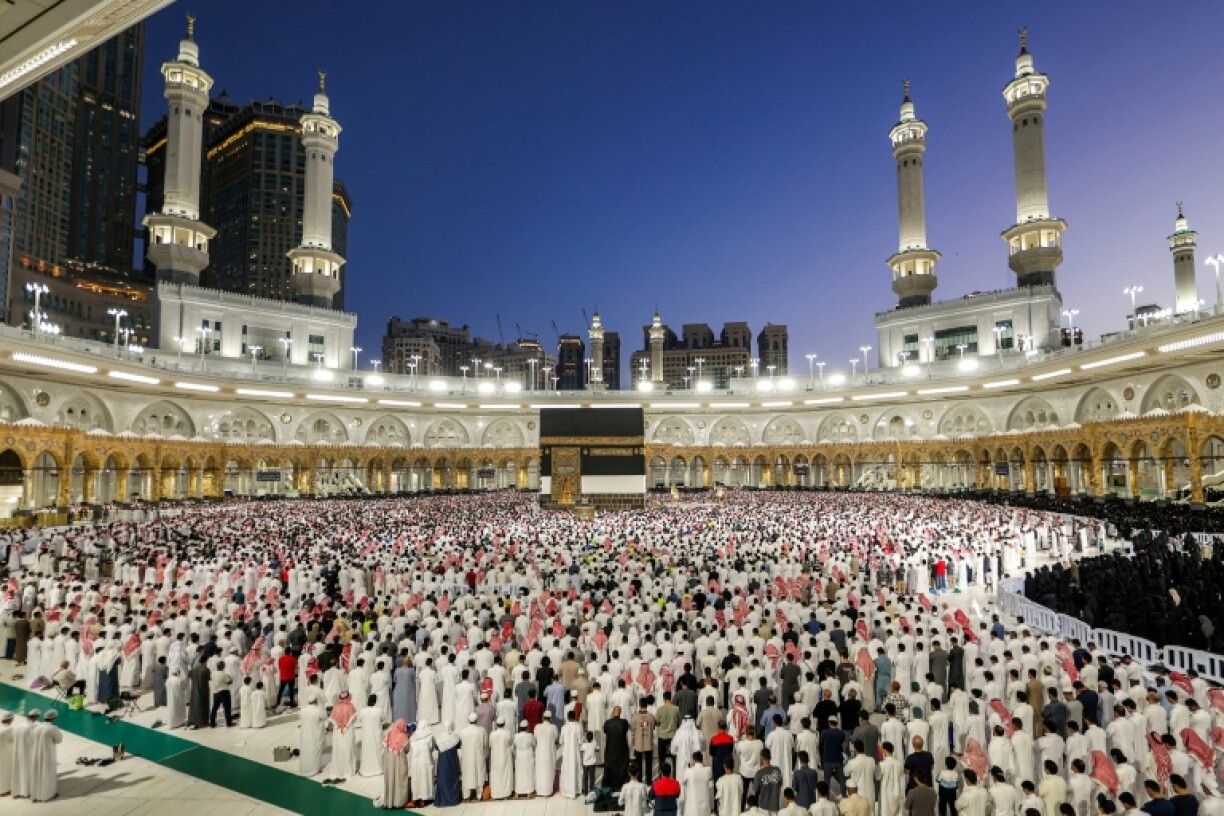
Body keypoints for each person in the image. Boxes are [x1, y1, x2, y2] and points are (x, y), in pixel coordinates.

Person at [328, 692, 358, 780]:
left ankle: (338, 770)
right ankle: (348, 771)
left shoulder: (335, 707)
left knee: (338, 749)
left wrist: (339, 726)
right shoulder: (351, 706)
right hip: (348, 732)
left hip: (337, 732)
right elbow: (354, 718)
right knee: (348, 749)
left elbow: (332, 720)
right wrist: (345, 726)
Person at [460, 712, 489, 801]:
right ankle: (479, 795)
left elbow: (461, 745)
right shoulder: (482, 730)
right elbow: (485, 743)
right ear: (477, 720)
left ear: (468, 720)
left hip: (467, 757)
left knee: (467, 775)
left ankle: (466, 796)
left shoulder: (462, 732)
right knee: (479, 775)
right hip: (478, 756)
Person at [382, 720, 411, 809]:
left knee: (390, 780)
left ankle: (389, 801)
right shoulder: (404, 737)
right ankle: (399, 802)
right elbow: (407, 749)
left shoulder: (389, 734)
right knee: (399, 780)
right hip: (399, 762)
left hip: (389, 763)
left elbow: (384, 746)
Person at [604, 705, 633, 791]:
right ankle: (621, 784)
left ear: (613, 712)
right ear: (620, 712)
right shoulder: (624, 722)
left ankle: (610, 785)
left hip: (610, 749)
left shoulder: (607, 723)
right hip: (621, 749)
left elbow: (605, 731)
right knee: (622, 767)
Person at [434, 722, 463, 806]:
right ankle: (453, 799)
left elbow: (437, 747)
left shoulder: (439, 738)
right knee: (452, 778)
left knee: (443, 779)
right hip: (452, 760)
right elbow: (459, 745)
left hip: (443, 762)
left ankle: (443, 800)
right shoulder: (455, 737)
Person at [10, 709, 36, 799]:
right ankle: (27, 791)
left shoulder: (19, 726)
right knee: (27, 771)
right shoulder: (32, 727)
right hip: (27, 752)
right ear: (35, 717)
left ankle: (17, 790)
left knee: (19, 771)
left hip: (17, 751)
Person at [298, 698, 326, 776]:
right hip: (315, 733)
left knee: (305, 751)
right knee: (315, 750)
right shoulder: (318, 710)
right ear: (316, 701)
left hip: (305, 734)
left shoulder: (303, 710)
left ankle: (304, 769)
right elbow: (324, 717)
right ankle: (315, 770)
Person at [559, 709, 583, 798]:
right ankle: (576, 789)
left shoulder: (563, 728)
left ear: (567, 718)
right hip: (575, 751)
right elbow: (580, 741)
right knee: (575, 768)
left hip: (566, 752)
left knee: (566, 769)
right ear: (575, 717)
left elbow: (561, 741)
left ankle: (566, 790)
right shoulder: (578, 727)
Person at [535, 711, 559, 796]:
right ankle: (548, 791)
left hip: (540, 752)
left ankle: (540, 790)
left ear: (543, 717)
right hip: (549, 752)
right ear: (550, 719)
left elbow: (535, 737)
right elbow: (556, 737)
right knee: (549, 770)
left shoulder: (537, 727)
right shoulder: (553, 727)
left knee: (540, 770)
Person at [489, 719, 515, 800]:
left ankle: (496, 794)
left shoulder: (492, 734)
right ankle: (506, 794)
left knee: (496, 775)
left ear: (496, 724)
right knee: (506, 775)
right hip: (505, 756)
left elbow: (490, 745)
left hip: (495, 757)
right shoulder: (507, 733)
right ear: (504, 724)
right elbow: (511, 743)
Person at [755, 748, 784, 815]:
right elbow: (780, 783)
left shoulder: (759, 773)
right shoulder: (777, 770)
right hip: (775, 806)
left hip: (763, 807)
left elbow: (756, 789)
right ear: (770, 757)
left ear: (761, 757)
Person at [684, 751, 714, 816]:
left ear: (693, 760)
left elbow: (684, 783)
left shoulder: (688, 771)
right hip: (705, 805)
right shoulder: (708, 770)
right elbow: (711, 785)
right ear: (702, 759)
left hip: (692, 805)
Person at [514, 719, 536, 798]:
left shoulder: (516, 736)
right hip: (527, 756)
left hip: (519, 756)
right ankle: (529, 792)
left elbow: (514, 746)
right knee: (528, 774)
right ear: (527, 727)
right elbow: (534, 744)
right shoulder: (530, 736)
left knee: (519, 774)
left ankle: (518, 792)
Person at [210, 659, 234, 727]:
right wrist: (230, 678)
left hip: (215, 692)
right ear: (223, 667)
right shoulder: (224, 674)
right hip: (224, 692)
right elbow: (229, 681)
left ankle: (212, 723)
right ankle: (229, 723)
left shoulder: (213, 673)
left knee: (214, 708)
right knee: (226, 708)